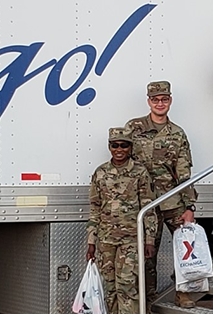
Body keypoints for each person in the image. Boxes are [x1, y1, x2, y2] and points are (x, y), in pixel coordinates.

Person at [125, 81, 198, 309]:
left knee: (185, 249)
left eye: (164, 99)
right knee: (147, 253)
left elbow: (184, 171)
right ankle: (149, 299)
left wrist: (189, 207)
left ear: (170, 101)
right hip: (144, 203)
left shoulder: (177, 133)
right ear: (149, 101)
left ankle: (182, 292)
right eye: (155, 100)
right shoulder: (134, 128)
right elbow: (123, 163)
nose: (160, 103)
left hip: (172, 200)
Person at [86, 127, 157, 314]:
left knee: (126, 286)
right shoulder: (100, 173)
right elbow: (95, 208)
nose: (119, 149)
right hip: (106, 240)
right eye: (114, 145)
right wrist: (91, 242)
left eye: (124, 145)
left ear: (130, 147)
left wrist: (149, 240)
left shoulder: (140, 172)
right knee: (110, 289)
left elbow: (149, 208)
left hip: (131, 240)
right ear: (109, 147)